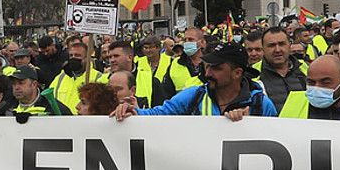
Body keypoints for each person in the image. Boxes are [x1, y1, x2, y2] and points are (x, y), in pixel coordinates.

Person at [113, 43, 275, 119]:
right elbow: (159, 114)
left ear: (237, 73)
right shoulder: (194, 96)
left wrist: (246, 126)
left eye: (216, 68)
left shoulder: (261, 104)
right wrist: (133, 111)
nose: (208, 72)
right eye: (207, 66)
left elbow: (278, 138)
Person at [48, 38, 107, 114]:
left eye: (77, 55)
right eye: (71, 55)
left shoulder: (99, 79)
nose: (73, 58)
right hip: (62, 123)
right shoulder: (59, 79)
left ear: (87, 58)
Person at [257, 26, 308, 110]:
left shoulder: (304, 68)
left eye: (281, 44)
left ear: (289, 45)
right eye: (271, 45)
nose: (277, 50)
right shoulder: (253, 74)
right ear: (263, 49)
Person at [133, 37, 175, 108]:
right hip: (144, 104)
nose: (148, 50)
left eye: (151, 47)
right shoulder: (138, 62)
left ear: (158, 48)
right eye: (145, 48)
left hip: (165, 103)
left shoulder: (170, 61)